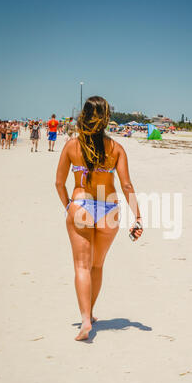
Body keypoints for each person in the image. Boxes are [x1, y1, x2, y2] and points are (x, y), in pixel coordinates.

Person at [55, 96, 143, 341]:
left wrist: (68, 208)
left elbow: (59, 183)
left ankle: (85, 320)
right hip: (109, 208)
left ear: (83, 115)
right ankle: (90, 313)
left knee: (81, 266)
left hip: (80, 204)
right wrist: (138, 216)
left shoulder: (72, 146)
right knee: (97, 265)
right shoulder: (116, 148)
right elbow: (126, 184)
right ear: (106, 119)